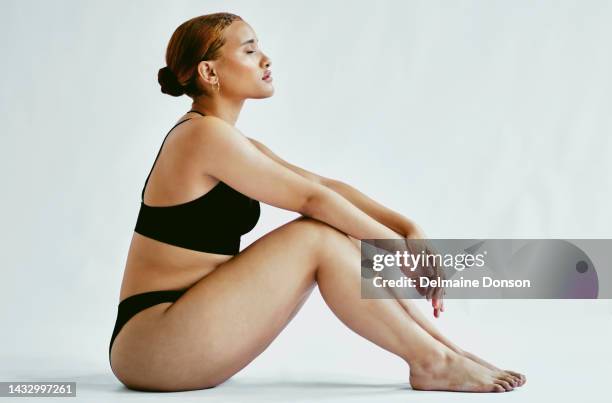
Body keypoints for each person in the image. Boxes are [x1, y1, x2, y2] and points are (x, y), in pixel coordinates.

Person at [108, 12, 526, 393]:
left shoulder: (229, 140)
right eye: (250, 50)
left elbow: (323, 184)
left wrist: (408, 229)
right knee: (316, 236)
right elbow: (312, 199)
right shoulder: (202, 137)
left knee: (330, 232)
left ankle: (442, 351)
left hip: (189, 326)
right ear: (208, 71)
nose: (266, 59)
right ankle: (434, 361)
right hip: (153, 341)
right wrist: (396, 250)